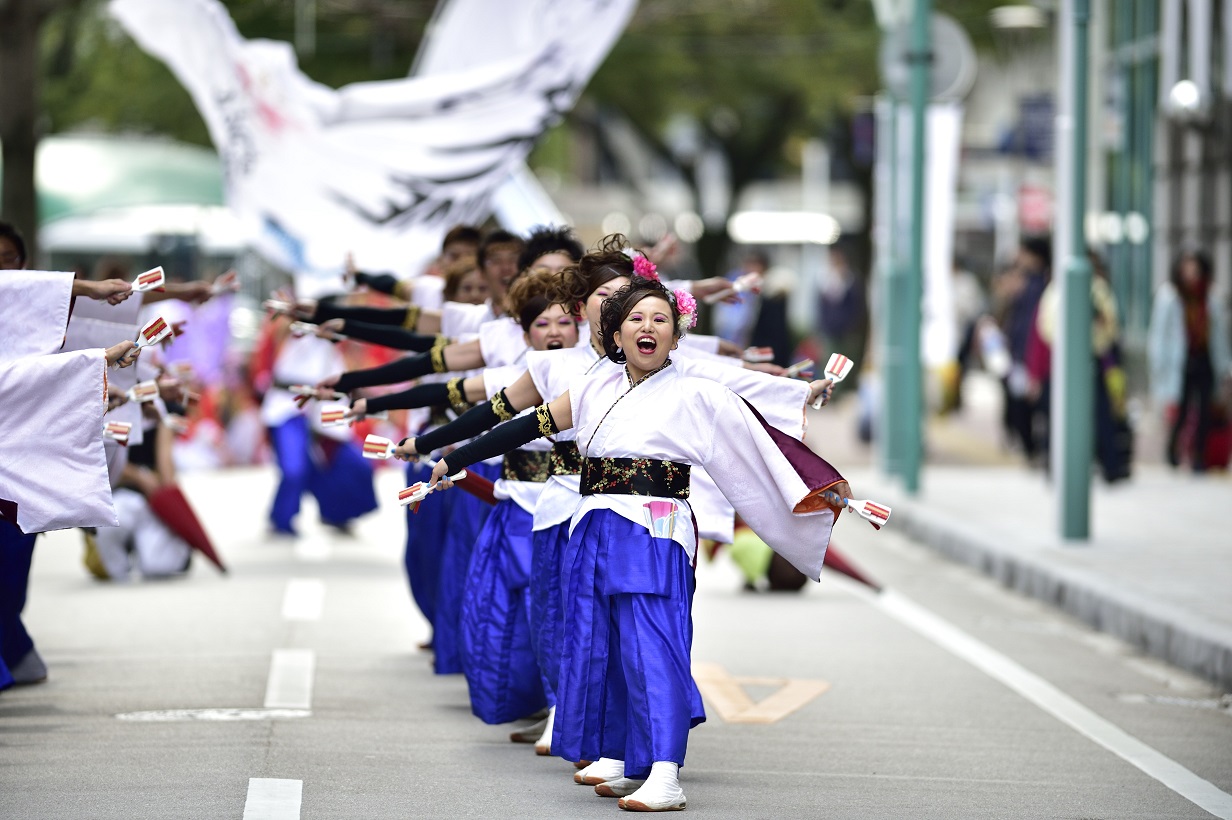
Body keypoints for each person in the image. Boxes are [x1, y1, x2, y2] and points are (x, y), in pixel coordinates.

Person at [419, 273, 849, 811]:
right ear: (616, 334)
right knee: (603, 642)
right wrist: (451, 458)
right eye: (636, 320)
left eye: (660, 320)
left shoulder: (697, 392)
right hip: (595, 520)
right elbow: (527, 424)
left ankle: (665, 772)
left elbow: (760, 446)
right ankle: (625, 756)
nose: (648, 328)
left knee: (652, 644)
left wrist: (822, 492)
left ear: (675, 335)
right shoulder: (596, 384)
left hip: (655, 525)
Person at [1148, 247, 1232, 472]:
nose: (1191, 272)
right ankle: (1173, 452)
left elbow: (1220, 337)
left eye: (1195, 267)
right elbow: (1159, 334)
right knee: (1181, 410)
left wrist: (1227, 369)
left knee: (1205, 409)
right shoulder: (1169, 295)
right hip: (1180, 362)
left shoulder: (1212, 296)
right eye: (1187, 266)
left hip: (1205, 359)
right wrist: (1158, 364)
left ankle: (1198, 457)